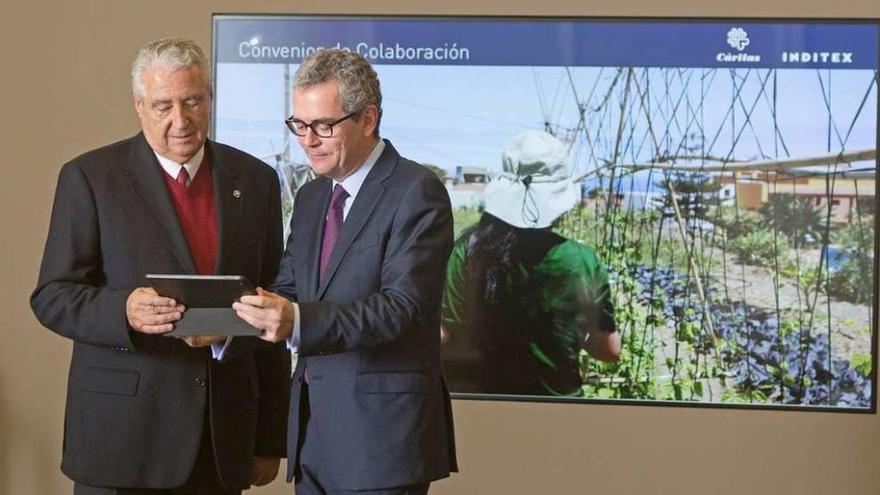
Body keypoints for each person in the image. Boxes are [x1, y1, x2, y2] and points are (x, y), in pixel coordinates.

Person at [30, 37, 290, 494]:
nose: (180, 120)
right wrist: (123, 311)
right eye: (163, 105)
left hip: (221, 439)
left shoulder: (256, 181)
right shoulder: (90, 178)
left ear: (209, 98)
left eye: (192, 101)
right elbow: (52, 295)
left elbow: (273, 301)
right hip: (122, 442)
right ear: (138, 105)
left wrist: (269, 436)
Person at [233, 49, 457, 495]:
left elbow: (403, 309)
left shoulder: (417, 191)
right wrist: (223, 320)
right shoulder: (313, 198)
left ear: (368, 118)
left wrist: (297, 320)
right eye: (299, 124)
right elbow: (287, 289)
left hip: (382, 442)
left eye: (323, 125)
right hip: (313, 437)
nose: (307, 140)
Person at [441, 130, 621, 396]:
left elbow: (442, 336)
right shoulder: (581, 260)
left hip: (477, 409)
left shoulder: (467, 252)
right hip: (558, 413)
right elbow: (609, 350)